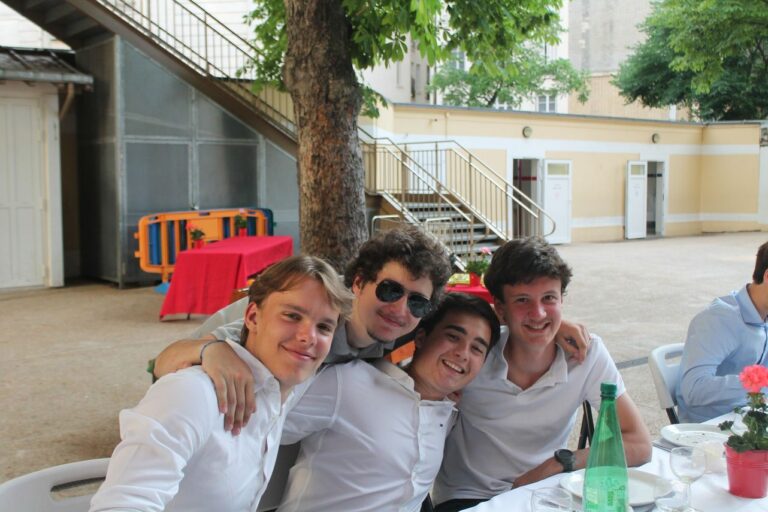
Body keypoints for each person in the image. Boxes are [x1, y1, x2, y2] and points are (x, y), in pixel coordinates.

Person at [152, 226, 592, 434]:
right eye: (390, 290)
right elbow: (164, 364)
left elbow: (471, 321)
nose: (400, 309)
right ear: (358, 282)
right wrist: (211, 350)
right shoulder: (309, 315)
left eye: (417, 302)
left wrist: (549, 324)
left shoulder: (401, 329)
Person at [89, 256, 353, 512]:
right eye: (292, 316)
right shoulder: (193, 393)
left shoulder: (284, 389)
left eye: (324, 327)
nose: (309, 337)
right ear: (252, 317)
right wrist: (206, 348)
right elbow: (121, 504)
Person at [432, 237, 652, 512]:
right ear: (500, 309)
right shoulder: (475, 353)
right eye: (522, 300)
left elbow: (639, 444)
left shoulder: (586, 354)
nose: (537, 313)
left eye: (549, 298)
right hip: (470, 498)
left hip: (545, 492)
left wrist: (561, 462)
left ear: (562, 300)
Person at [276, 293, 501, 512]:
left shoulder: (447, 415)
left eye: (477, 348)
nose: (463, 353)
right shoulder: (348, 382)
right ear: (421, 338)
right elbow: (266, 422)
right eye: (453, 337)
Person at [676, 240, 768, 423]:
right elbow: (694, 389)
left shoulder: (762, 314)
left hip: (749, 417)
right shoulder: (719, 320)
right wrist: (758, 383)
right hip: (714, 428)